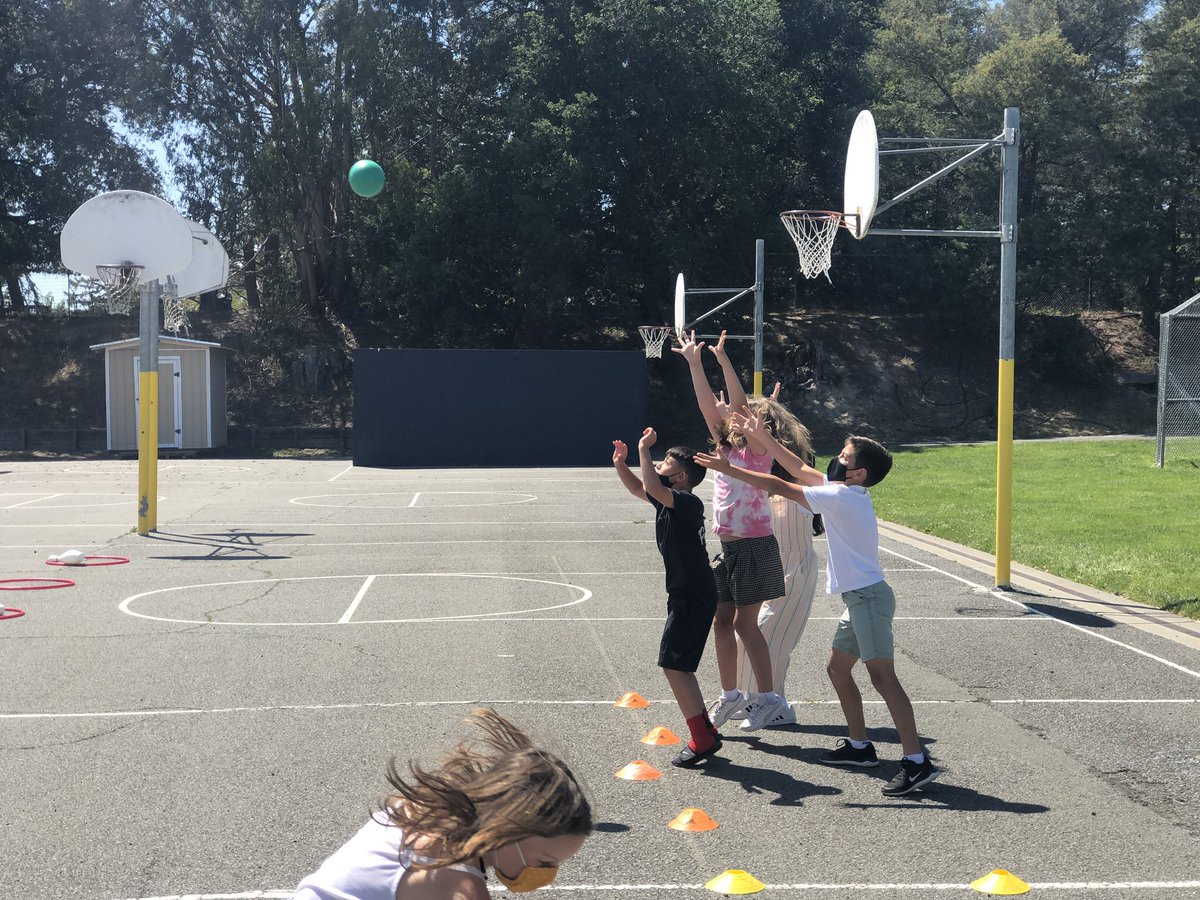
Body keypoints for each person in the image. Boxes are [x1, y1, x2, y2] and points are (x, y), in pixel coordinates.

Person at [695, 431, 942, 796]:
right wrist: (760, 435)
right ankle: (860, 747)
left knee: (883, 677)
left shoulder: (841, 496)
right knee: (837, 669)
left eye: (844, 457)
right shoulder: (847, 491)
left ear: (858, 474)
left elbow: (779, 483)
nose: (837, 460)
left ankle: (917, 761)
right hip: (859, 599)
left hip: (868, 600)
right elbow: (795, 466)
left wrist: (728, 468)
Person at [292, 708, 593, 899]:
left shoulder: (418, 810)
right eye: (544, 863)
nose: (548, 876)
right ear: (507, 831)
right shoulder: (459, 890)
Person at [672, 331, 788, 733]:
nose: (732, 417)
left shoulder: (757, 452)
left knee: (744, 624)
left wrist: (723, 361)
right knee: (721, 622)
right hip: (727, 547)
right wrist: (694, 363)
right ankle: (731, 696)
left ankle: (768, 699)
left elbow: (736, 405)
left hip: (755, 546)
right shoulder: (724, 448)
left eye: (744, 417)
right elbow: (709, 405)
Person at [611, 427, 721, 767]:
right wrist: (621, 464)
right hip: (688, 591)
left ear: (681, 476)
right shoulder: (669, 500)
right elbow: (641, 488)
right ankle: (706, 731)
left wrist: (644, 449)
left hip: (693, 593)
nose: (658, 465)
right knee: (680, 666)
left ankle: (702, 739)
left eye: (665, 462)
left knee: (673, 665)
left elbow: (653, 486)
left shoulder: (686, 501)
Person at [730, 392, 821, 730]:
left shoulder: (798, 482)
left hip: (794, 572)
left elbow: (788, 465)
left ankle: (774, 704)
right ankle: (758, 700)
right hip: (768, 570)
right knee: (748, 636)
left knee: (770, 637)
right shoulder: (755, 474)